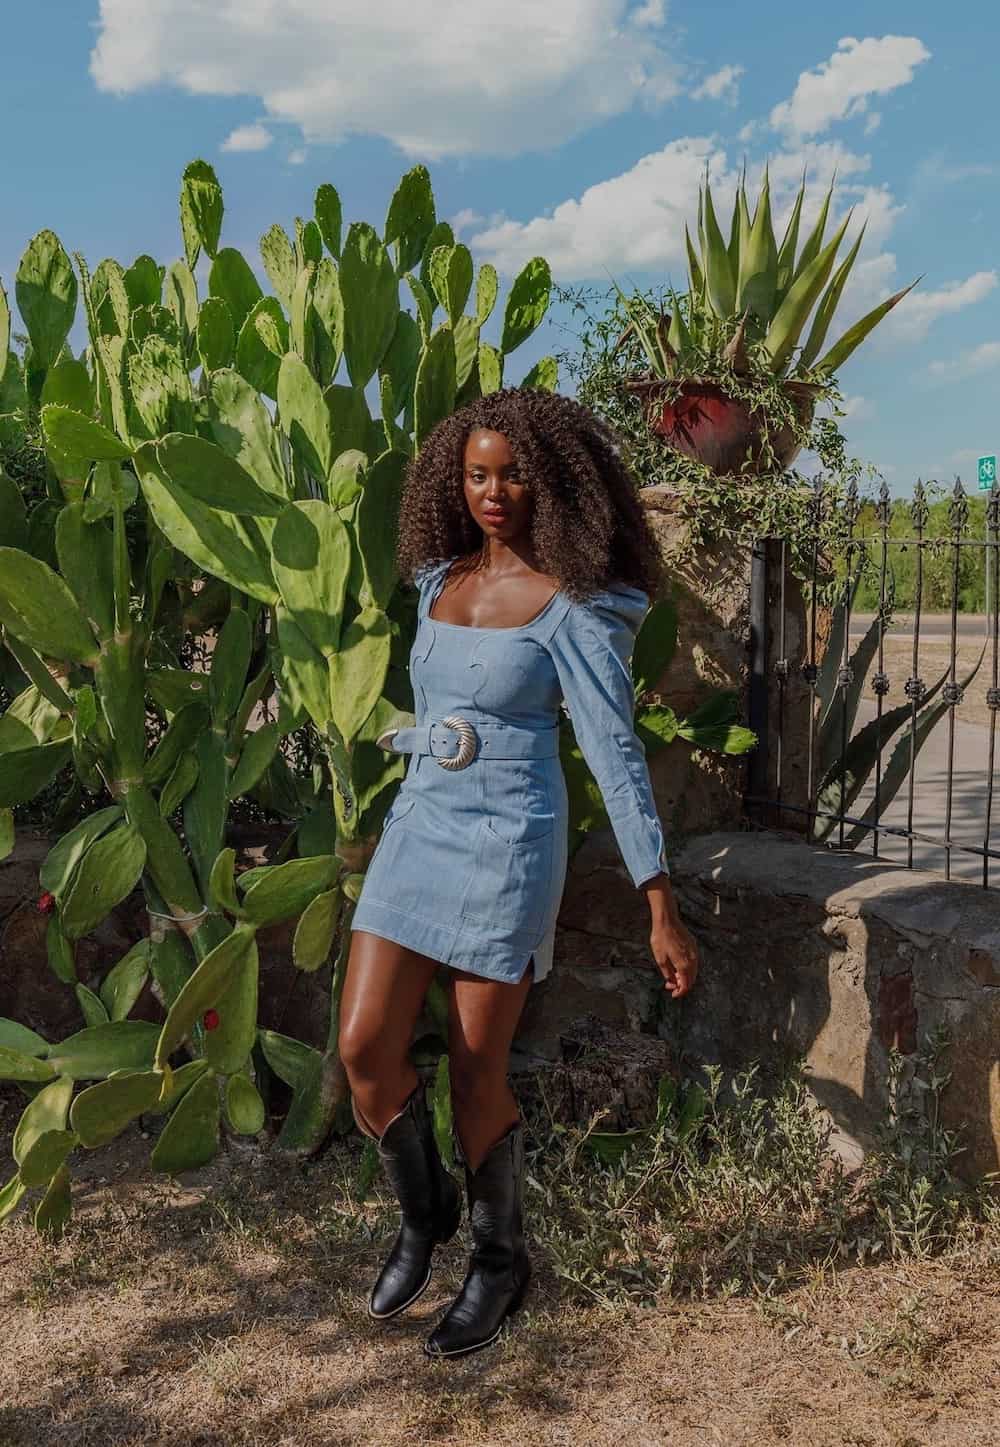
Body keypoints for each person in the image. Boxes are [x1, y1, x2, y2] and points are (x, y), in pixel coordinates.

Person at [340, 387, 700, 1360]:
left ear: (549, 479)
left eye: (512, 473)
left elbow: (616, 755)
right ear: (454, 482)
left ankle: (500, 1261)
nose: (494, 490)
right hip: (420, 824)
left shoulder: (576, 606)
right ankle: (424, 1213)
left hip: (508, 842)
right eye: (477, 474)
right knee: (365, 1044)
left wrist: (657, 902)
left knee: (473, 1065)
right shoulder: (436, 580)